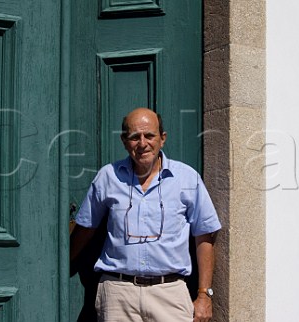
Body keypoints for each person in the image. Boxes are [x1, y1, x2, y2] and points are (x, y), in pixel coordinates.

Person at [70, 107, 221, 322]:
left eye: (149, 135)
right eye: (134, 137)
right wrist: (59, 268)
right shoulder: (108, 177)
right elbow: (85, 228)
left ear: (162, 138)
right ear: (124, 141)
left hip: (170, 293)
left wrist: (204, 294)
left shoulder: (187, 179)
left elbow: (204, 236)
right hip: (118, 294)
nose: (142, 143)